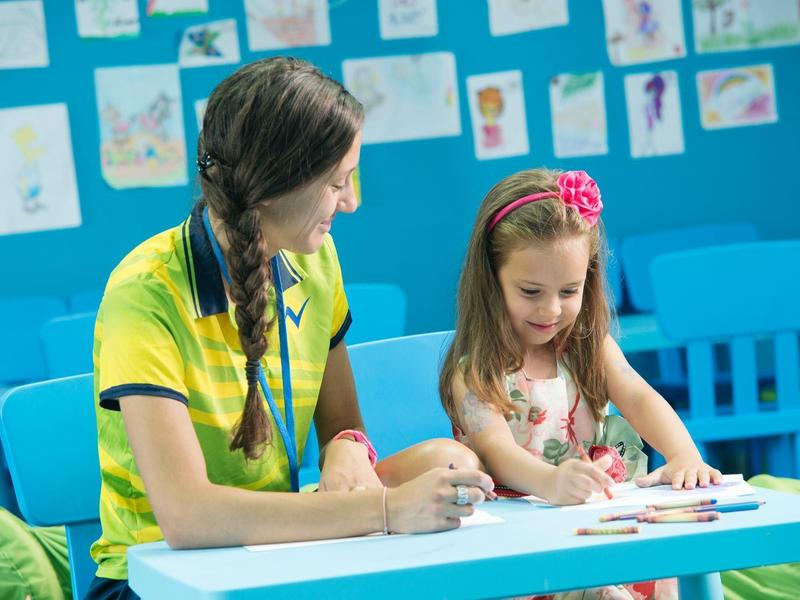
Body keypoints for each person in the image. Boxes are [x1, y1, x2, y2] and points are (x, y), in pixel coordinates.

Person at [86, 57, 492, 599]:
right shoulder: (146, 290)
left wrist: (348, 445)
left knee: (451, 460)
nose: (351, 202)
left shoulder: (316, 262)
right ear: (275, 185)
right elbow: (186, 518)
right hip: (155, 580)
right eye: (337, 183)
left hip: (275, 560)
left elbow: (343, 427)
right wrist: (385, 509)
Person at [439, 167, 722, 599]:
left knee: (683, 575)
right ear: (491, 279)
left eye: (569, 291)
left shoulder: (587, 347)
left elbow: (639, 395)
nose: (550, 310)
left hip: (602, 530)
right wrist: (552, 482)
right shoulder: (477, 370)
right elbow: (497, 453)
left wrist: (684, 455)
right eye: (531, 291)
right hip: (525, 550)